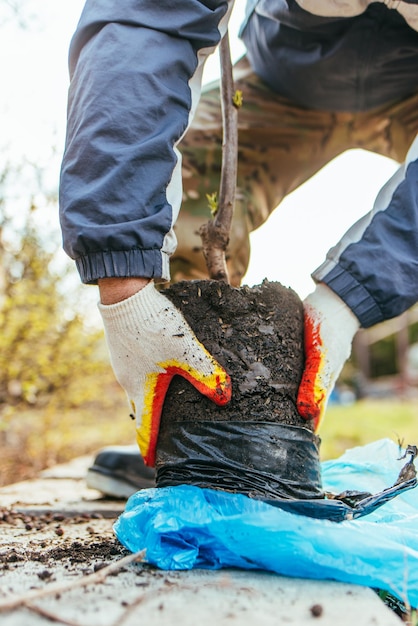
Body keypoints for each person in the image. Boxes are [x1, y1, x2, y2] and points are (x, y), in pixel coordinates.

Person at [60, 0, 418, 498]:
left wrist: (350, 300)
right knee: (187, 181)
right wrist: (124, 289)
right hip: (285, 82)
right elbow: (141, 25)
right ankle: (196, 447)